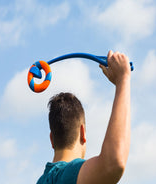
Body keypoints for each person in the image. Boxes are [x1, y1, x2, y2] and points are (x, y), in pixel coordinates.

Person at [36, 50, 131, 184]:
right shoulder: (65, 175)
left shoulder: (43, 181)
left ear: (52, 139)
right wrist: (123, 79)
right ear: (82, 132)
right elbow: (113, 164)